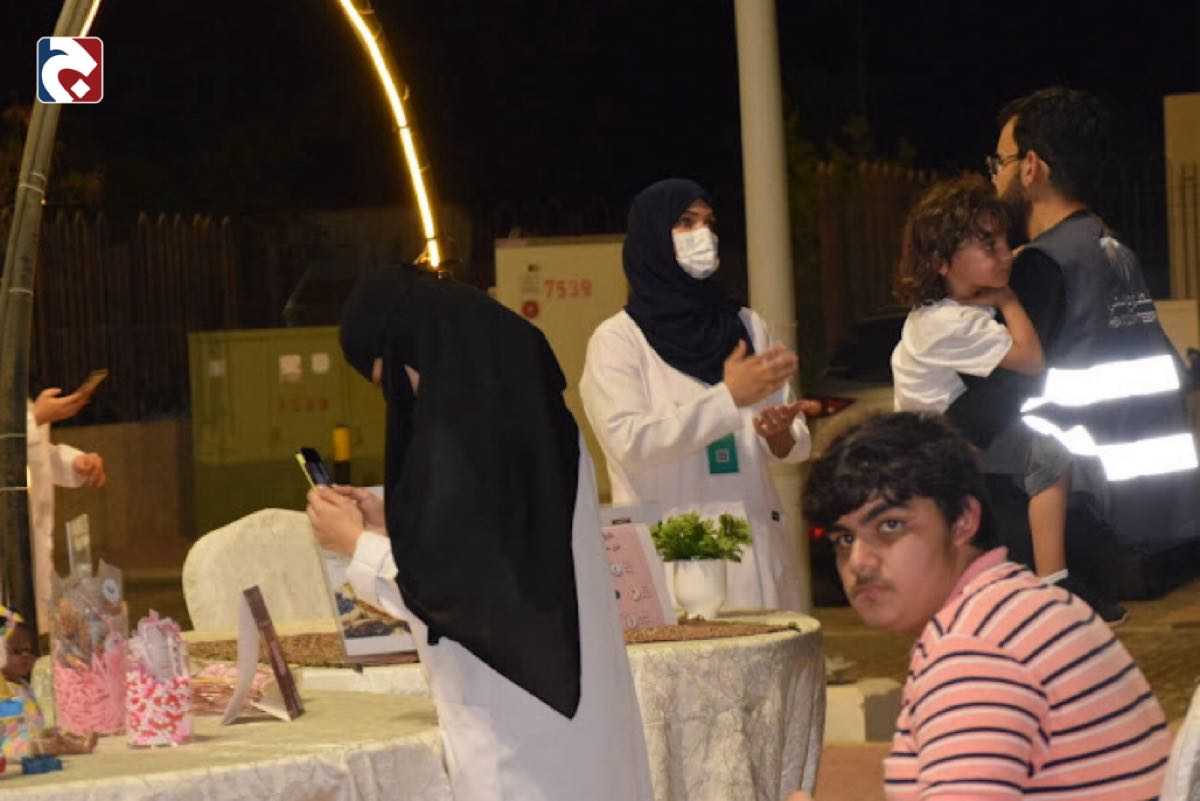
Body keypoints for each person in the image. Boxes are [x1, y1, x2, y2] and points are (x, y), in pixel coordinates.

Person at [306, 265, 653, 801]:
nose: (399, 398)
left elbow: (460, 599)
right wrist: (398, 527)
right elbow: (498, 549)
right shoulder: (535, 418)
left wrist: (356, 544)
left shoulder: (459, 444)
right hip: (584, 723)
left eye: (388, 381)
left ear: (414, 350)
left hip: (520, 741)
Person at [789, 412, 1170, 800]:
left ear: (963, 520)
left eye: (890, 525)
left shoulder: (973, 650)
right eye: (845, 539)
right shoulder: (1016, 603)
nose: (859, 562)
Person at [949, 86, 1200, 613]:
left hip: (1044, 514)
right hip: (1105, 515)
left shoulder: (1042, 266)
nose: (993, 177)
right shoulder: (1113, 250)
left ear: (1032, 167)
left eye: (1000, 162)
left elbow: (994, 401)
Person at [580, 178, 815, 612]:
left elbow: (790, 442)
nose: (702, 234)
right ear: (652, 236)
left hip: (757, 558)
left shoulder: (746, 325)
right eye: (685, 223)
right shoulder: (618, 340)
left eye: (708, 222)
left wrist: (780, 434)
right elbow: (630, 442)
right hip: (671, 560)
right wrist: (727, 400)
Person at [890, 174, 1108, 619]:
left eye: (1005, 241)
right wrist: (1008, 299)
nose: (1005, 253)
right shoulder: (950, 324)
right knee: (1042, 461)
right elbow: (1031, 359)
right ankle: (1050, 582)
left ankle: (1048, 583)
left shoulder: (950, 308)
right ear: (942, 262)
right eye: (988, 246)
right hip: (936, 451)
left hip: (949, 440)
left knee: (1046, 458)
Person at [26, 386, 106, 630]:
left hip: (33, 555)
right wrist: (34, 418)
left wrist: (74, 463)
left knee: (30, 636)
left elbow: (32, 456)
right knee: (10, 639)